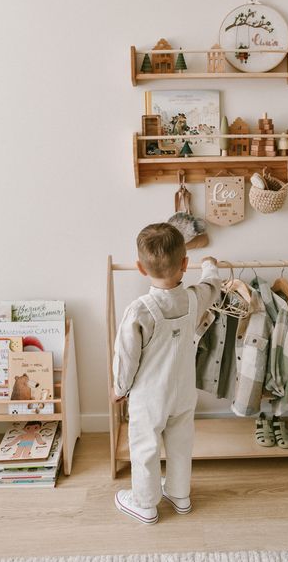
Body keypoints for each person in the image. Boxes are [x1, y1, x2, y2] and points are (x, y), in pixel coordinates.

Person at [112, 222, 221, 524]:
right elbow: (213, 285)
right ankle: (179, 494)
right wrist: (210, 265)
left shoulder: (139, 311)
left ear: (139, 267)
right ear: (185, 264)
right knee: (180, 442)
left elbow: (126, 356)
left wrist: (119, 388)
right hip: (183, 392)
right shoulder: (195, 298)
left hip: (150, 396)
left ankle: (145, 503)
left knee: (145, 447)